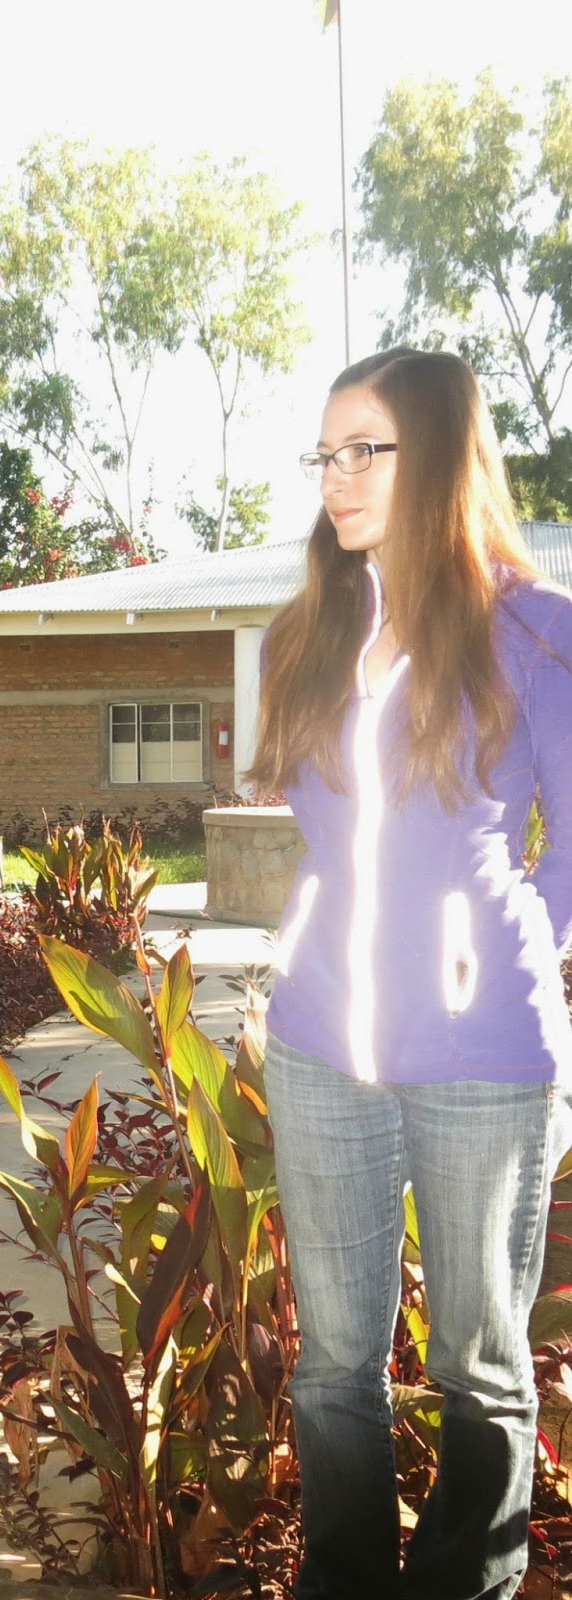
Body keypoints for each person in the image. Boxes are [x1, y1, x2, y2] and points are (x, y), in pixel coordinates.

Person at [248, 347, 572, 1600]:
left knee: (479, 1365)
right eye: (323, 453)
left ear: (433, 453)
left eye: (362, 450)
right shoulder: (309, 632)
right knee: (332, 1364)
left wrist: (508, 942)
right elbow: (324, 837)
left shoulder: (533, 630)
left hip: (483, 1059)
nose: (333, 477)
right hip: (319, 1042)